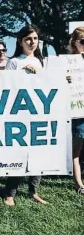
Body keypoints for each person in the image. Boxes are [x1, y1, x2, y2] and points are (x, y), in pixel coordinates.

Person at [3, 24, 47, 205]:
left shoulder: (41, 62)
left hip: (38, 113)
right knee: (18, 154)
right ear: (20, 41)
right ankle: (10, 193)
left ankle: (33, 191)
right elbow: (6, 86)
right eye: (28, 39)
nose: (32, 42)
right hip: (19, 113)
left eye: (35, 38)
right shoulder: (14, 62)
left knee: (38, 152)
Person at [67, 27, 84, 195]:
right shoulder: (67, 63)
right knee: (76, 150)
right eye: (83, 42)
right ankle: (79, 184)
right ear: (75, 43)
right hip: (76, 112)